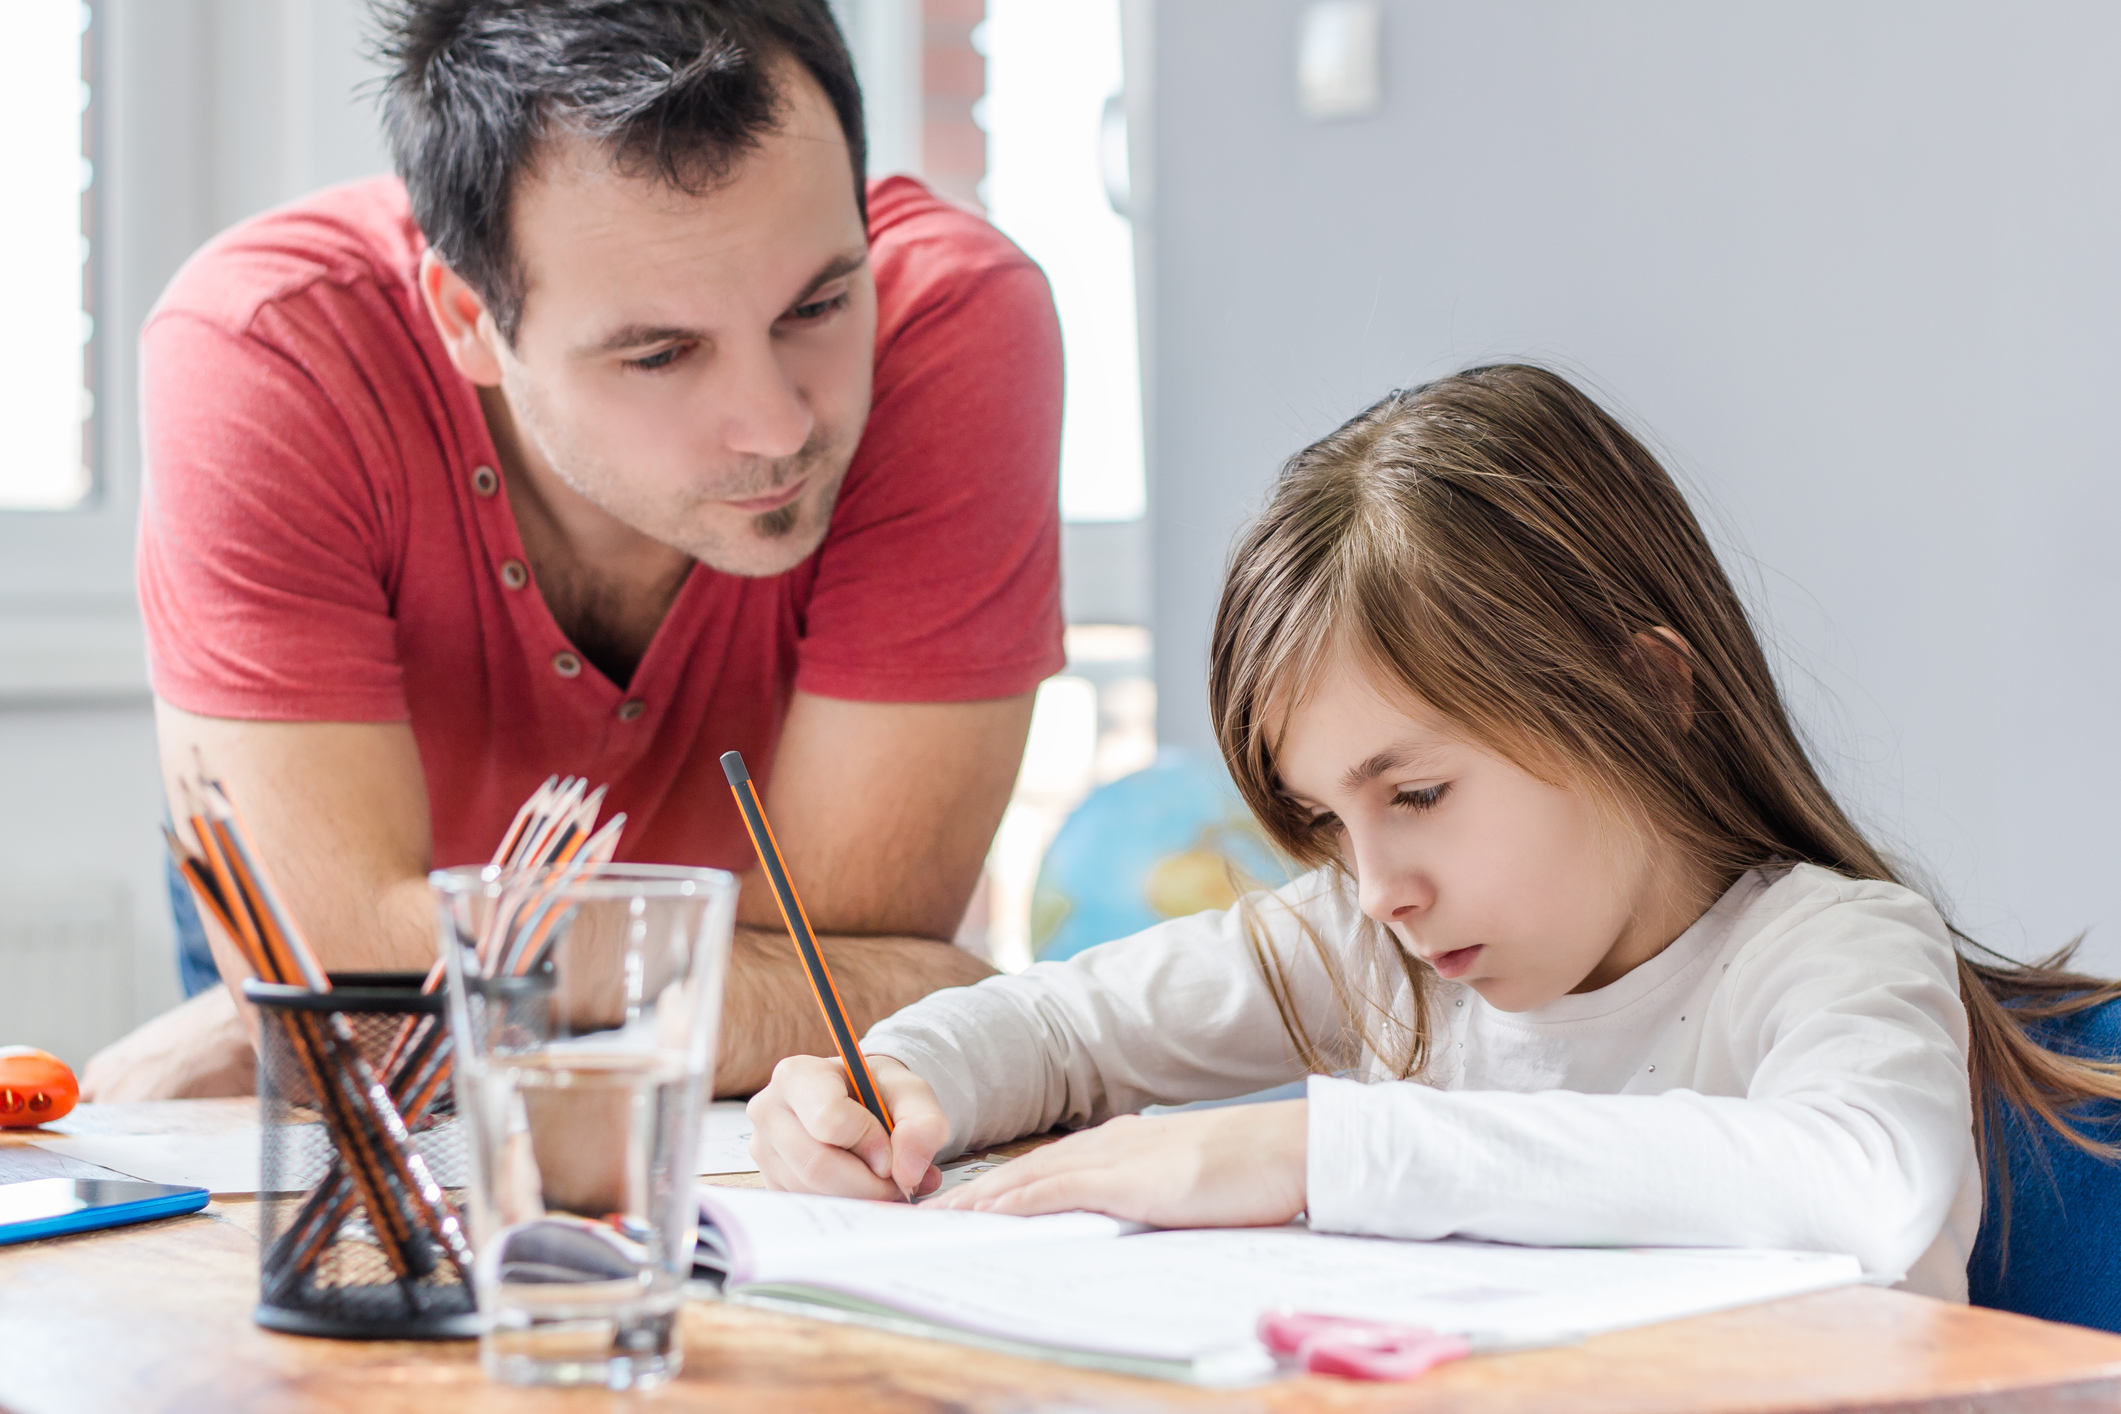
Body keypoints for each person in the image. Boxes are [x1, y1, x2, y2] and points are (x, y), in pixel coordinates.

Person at [750, 364, 2121, 1302]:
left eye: (1415, 794)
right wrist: (895, 1081)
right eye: (1325, 819)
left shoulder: (1826, 949)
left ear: (1644, 690)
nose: (1378, 884)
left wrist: (1306, 1152)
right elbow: (1063, 1028)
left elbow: (1865, 1180)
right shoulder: (1374, 944)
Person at [83, 0, 1061, 1099]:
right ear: (466, 320)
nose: (781, 425)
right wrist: (334, 993)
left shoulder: (955, 322)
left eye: (819, 303)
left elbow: (853, 968)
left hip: (504, 1005)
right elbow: (341, 1009)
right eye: (659, 354)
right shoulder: (268, 349)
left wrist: (389, 978)